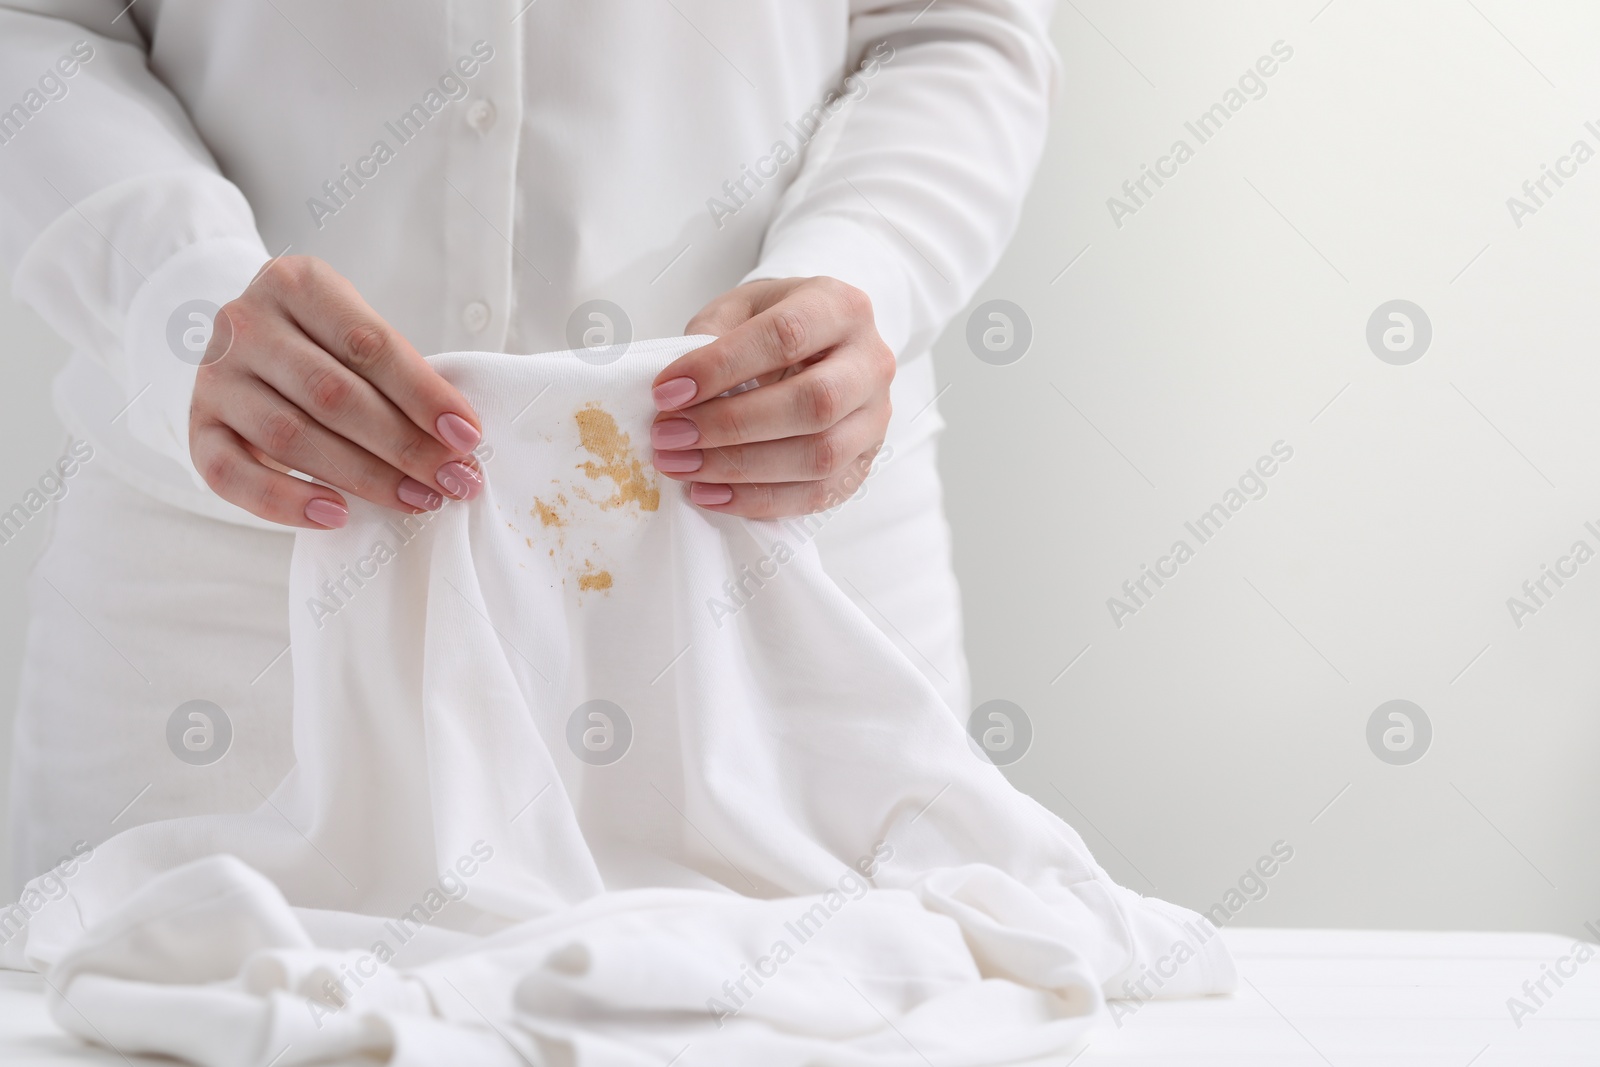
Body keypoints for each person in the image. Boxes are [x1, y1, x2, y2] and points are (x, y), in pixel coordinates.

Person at [0, 0, 1058, 889]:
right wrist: (171, 289)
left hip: (770, 568)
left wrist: (867, 267)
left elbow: (950, 24)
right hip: (233, 603)